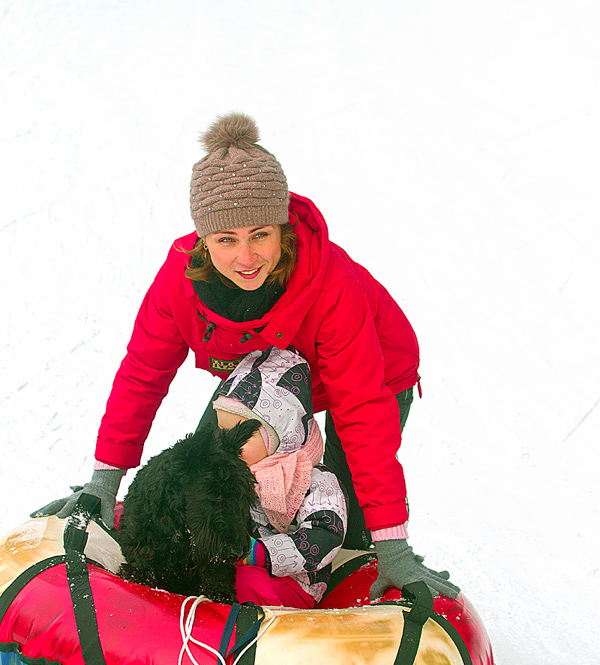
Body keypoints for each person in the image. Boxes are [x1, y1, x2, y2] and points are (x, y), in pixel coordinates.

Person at [33, 111, 459, 600]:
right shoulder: (180, 282)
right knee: (211, 469)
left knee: (342, 515)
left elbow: (363, 408)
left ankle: (337, 578)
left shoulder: (334, 288)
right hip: (266, 369)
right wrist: (105, 480)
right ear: (203, 239)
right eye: (226, 239)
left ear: (282, 229)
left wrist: (393, 544)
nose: (246, 257)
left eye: (260, 234)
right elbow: (142, 374)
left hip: (373, 366)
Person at [213, 345, 346, 608]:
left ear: (280, 434)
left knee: (245, 582)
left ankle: (242, 630)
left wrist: (258, 553)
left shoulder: (312, 479)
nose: (227, 441)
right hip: (236, 560)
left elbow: (325, 534)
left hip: (293, 581)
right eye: (221, 429)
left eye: (243, 433)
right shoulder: (226, 467)